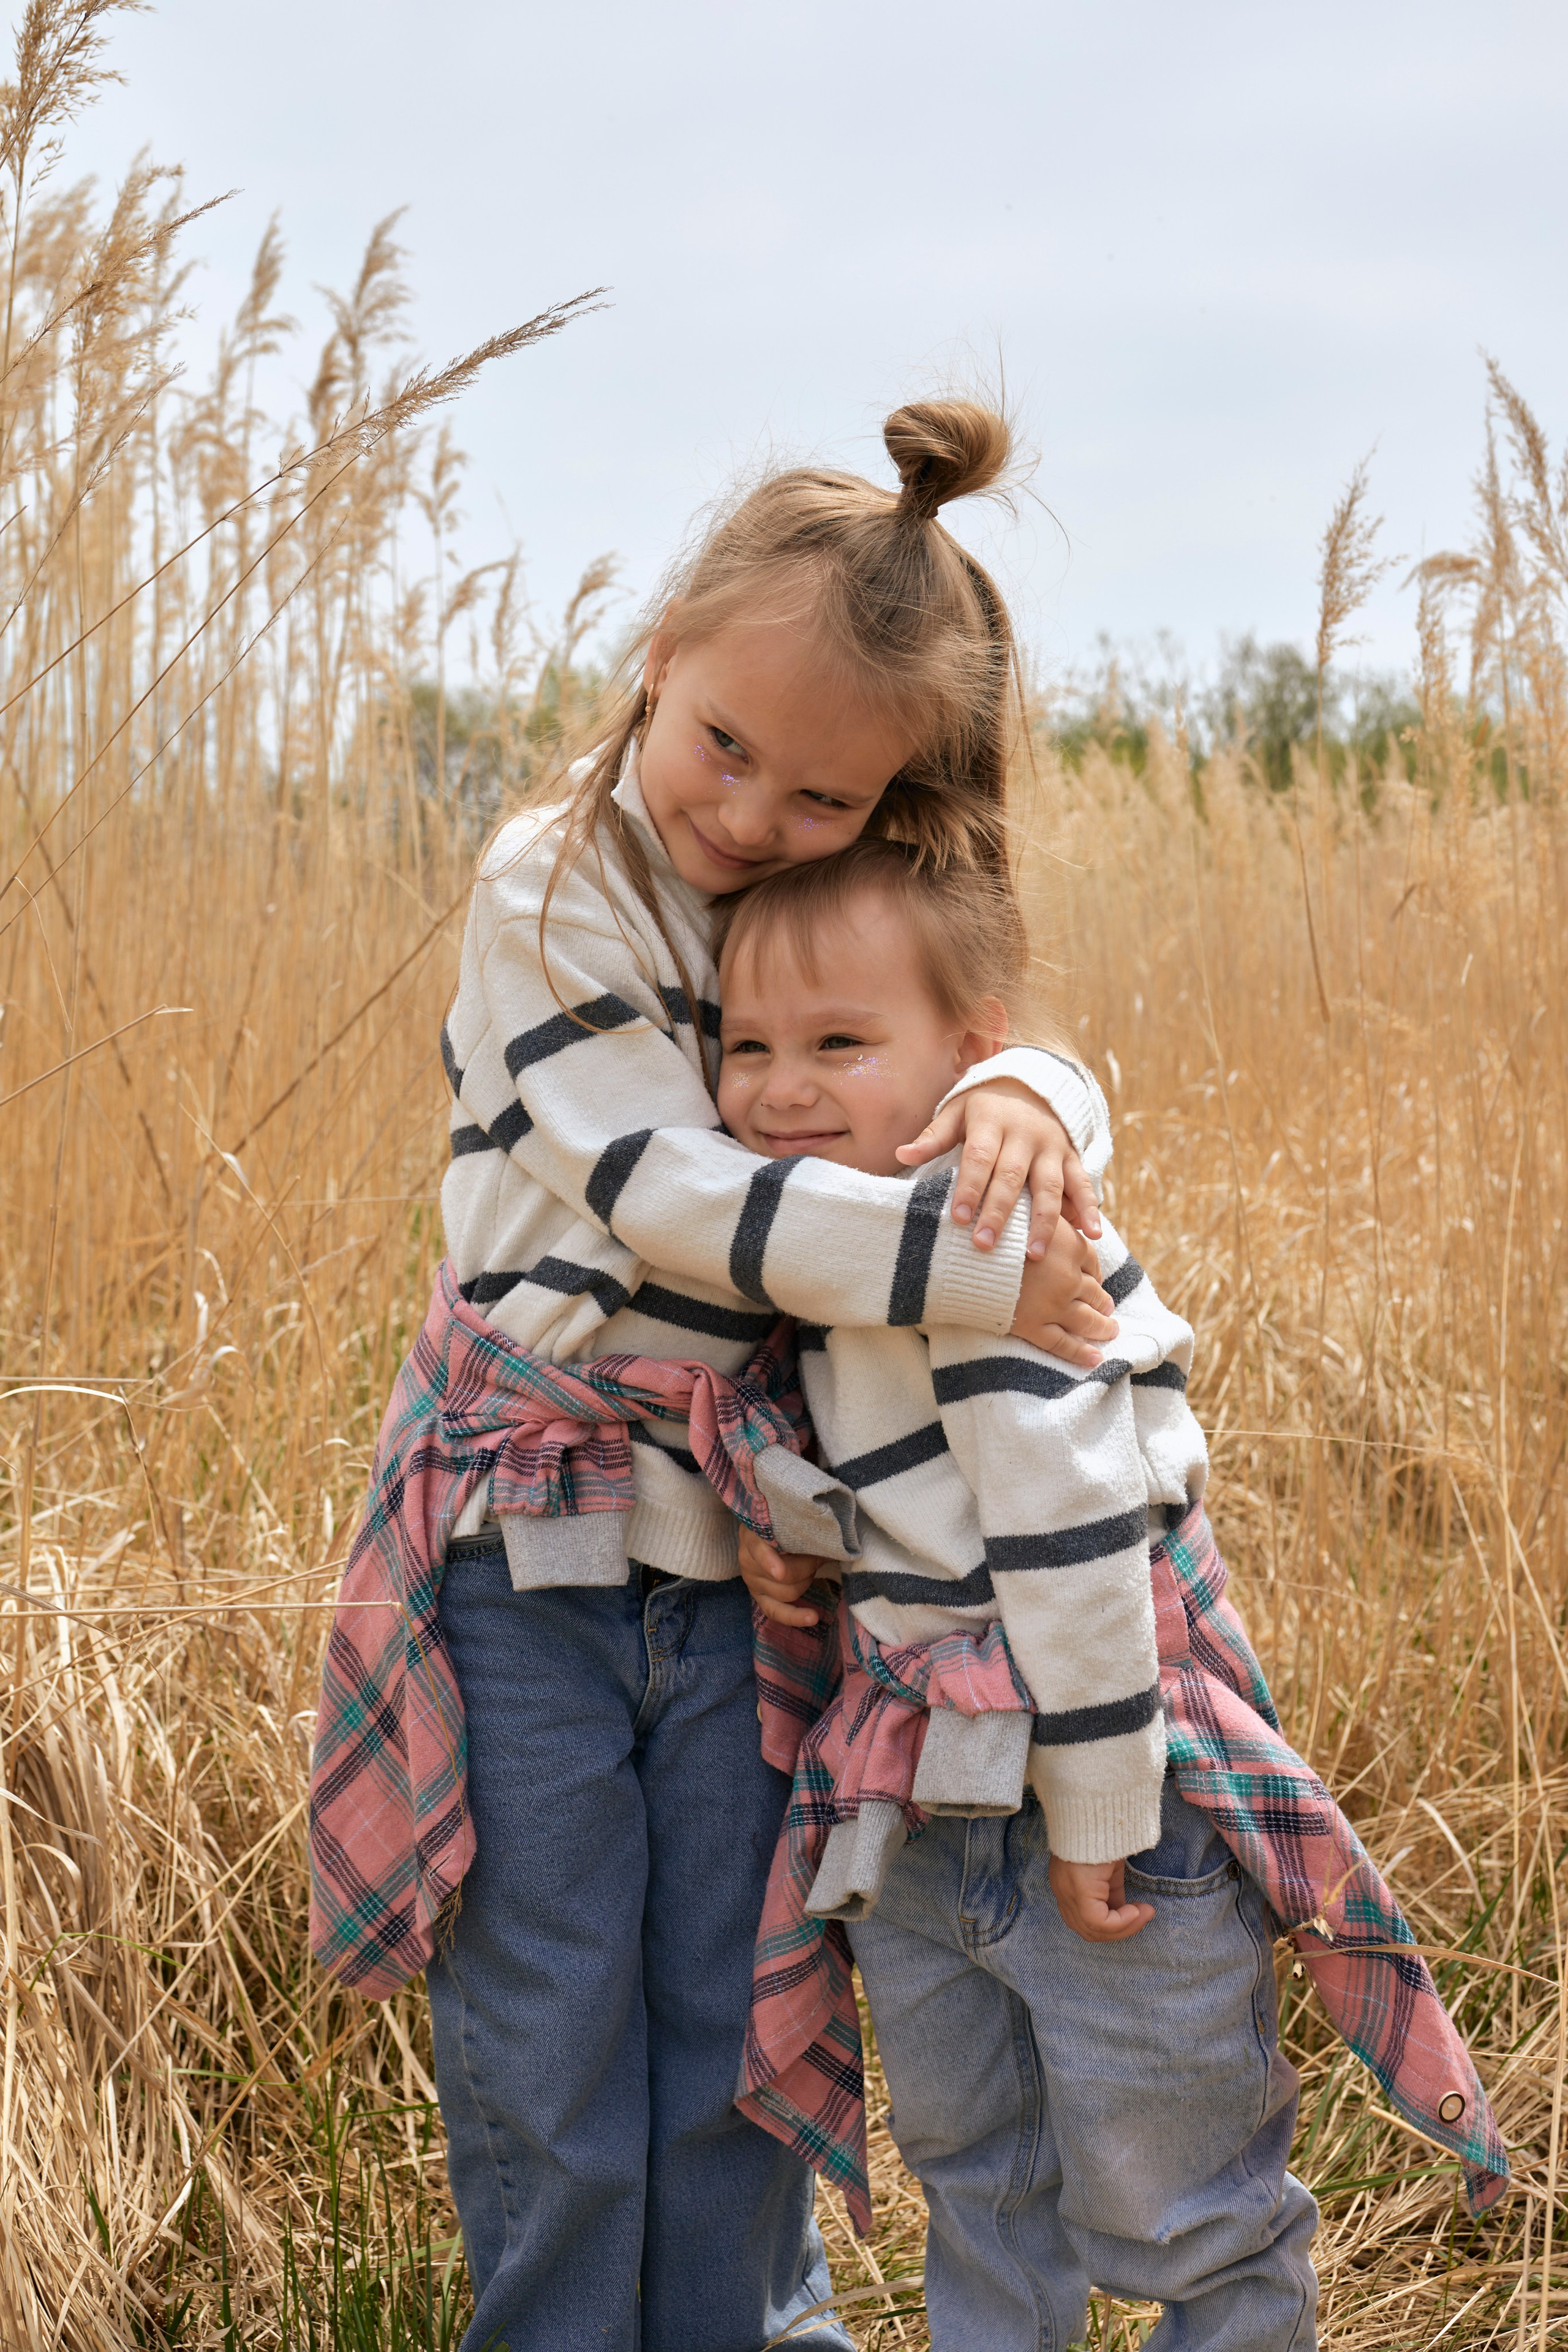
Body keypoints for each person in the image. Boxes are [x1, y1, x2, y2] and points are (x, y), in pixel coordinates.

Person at [309, 401, 1125, 2352]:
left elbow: (967, 1009)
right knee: (555, 2028)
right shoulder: (555, 882)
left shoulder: (810, 904)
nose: (752, 816)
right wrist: (973, 1266)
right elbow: (662, 1192)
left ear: (895, 802)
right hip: (536, 1553)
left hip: (752, 1555)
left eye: (823, 801)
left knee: (736, 2009)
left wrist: (1031, 1090)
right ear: (659, 652)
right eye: (727, 745)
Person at [718, 840, 1508, 2352]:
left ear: (968, 1062)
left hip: (1095, 1802)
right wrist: (795, 1543)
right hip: (925, 1813)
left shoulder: (979, 1230)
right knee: (979, 2190)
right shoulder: (830, 1257)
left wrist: (1094, 1815)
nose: (780, 1086)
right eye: (746, 1048)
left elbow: (1074, 1536)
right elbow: (910, 1507)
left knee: (1183, 2211)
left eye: (836, 1043)